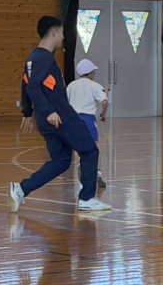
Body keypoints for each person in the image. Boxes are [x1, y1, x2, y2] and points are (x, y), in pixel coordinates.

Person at [10, 16, 111, 213]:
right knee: (90, 151)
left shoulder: (33, 57)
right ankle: (87, 199)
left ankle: (21, 190)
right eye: (62, 33)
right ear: (54, 33)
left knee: (61, 162)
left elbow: (26, 84)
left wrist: (29, 113)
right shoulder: (45, 58)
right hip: (61, 117)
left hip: (48, 120)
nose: (63, 37)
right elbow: (33, 88)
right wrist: (49, 111)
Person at [66, 58, 109, 188]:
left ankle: (80, 165)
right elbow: (105, 101)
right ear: (90, 73)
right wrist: (103, 113)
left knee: (78, 146)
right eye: (94, 73)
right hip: (88, 120)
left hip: (73, 120)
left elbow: (65, 102)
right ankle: (97, 173)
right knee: (94, 147)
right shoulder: (95, 86)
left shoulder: (71, 86)